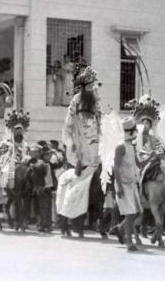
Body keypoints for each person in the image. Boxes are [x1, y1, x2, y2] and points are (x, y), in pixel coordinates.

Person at [57, 64, 101, 238]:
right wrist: (72, 144)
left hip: (94, 151)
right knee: (77, 191)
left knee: (98, 189)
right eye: (88, 85)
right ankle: (69, 223)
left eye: (93, 84)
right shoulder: (76, 100)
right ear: (82, 87)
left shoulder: (96, 99)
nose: (91, 87)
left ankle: (92, 222)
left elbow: (101, 121)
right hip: (79, 153)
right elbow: (67, 126)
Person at [112, 117, 142, 251]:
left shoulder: (132, 147)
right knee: (130, 213)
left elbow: (139, 164)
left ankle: (120, 228)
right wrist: (118, 186)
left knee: (136, 212)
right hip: (123, 184)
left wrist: (152, 157)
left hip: (132, 184)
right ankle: (129, 241)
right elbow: (116, 167)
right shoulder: (120, 147)